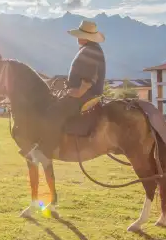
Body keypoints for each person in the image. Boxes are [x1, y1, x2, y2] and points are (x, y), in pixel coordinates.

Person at [23, 20, 106, 165]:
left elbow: (88, 79)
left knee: (53, 113)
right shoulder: (91, 49)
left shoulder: (90, 51)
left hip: (84, 95)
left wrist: (78, 92)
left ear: (85, 36)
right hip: (85, 93)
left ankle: (45, 151)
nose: (77, 38)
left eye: (80, 35)